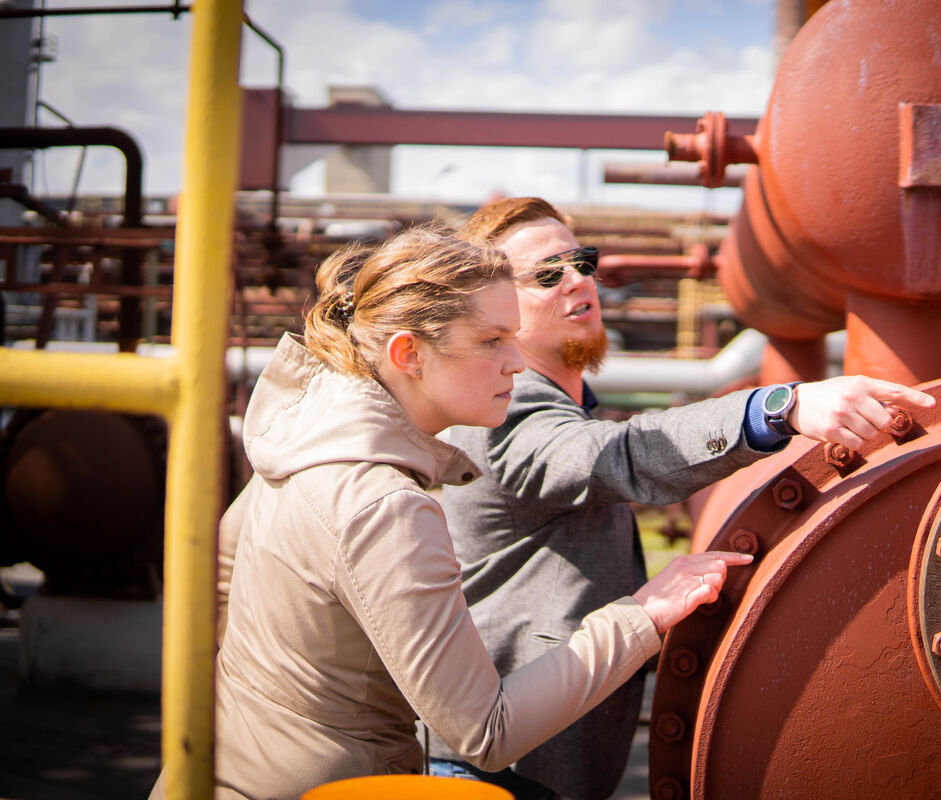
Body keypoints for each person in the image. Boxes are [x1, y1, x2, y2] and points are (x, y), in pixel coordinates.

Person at [148, 226, 753, 800]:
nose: (516, 363)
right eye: (491, 341)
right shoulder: (384, 508)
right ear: (409, 352)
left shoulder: (295, 446)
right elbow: (485, 732)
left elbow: (218, 622)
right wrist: (643, 615)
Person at [427, 198, 937, 799]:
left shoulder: (548, 403)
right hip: (497, 773)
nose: (578, 279)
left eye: (582, 261)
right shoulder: (504, 409)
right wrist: (780, 408)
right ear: (491, 304)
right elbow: (616, 456)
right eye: (548, 272)